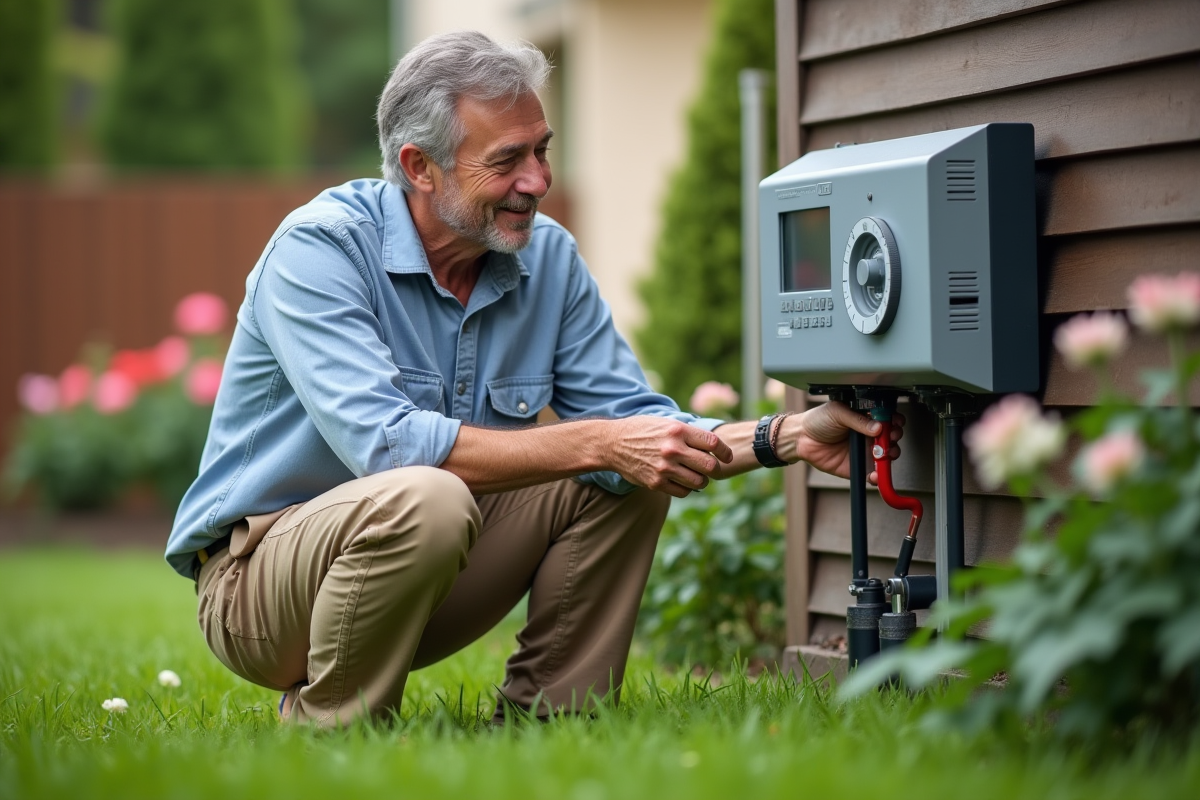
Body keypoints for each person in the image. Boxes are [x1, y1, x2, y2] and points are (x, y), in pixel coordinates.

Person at [164, 30, 903, 727]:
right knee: (439, 490)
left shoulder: (546, 258)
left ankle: (550, 722)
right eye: (509, 159)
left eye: (544, 151)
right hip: (261, 590)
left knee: (627, 468)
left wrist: (789, 436)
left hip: (425, 568)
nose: (539, 181)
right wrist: (605, 443)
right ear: (421, 166)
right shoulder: (320, 252)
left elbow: (637, 425)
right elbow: (389, 449)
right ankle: (333, 733)